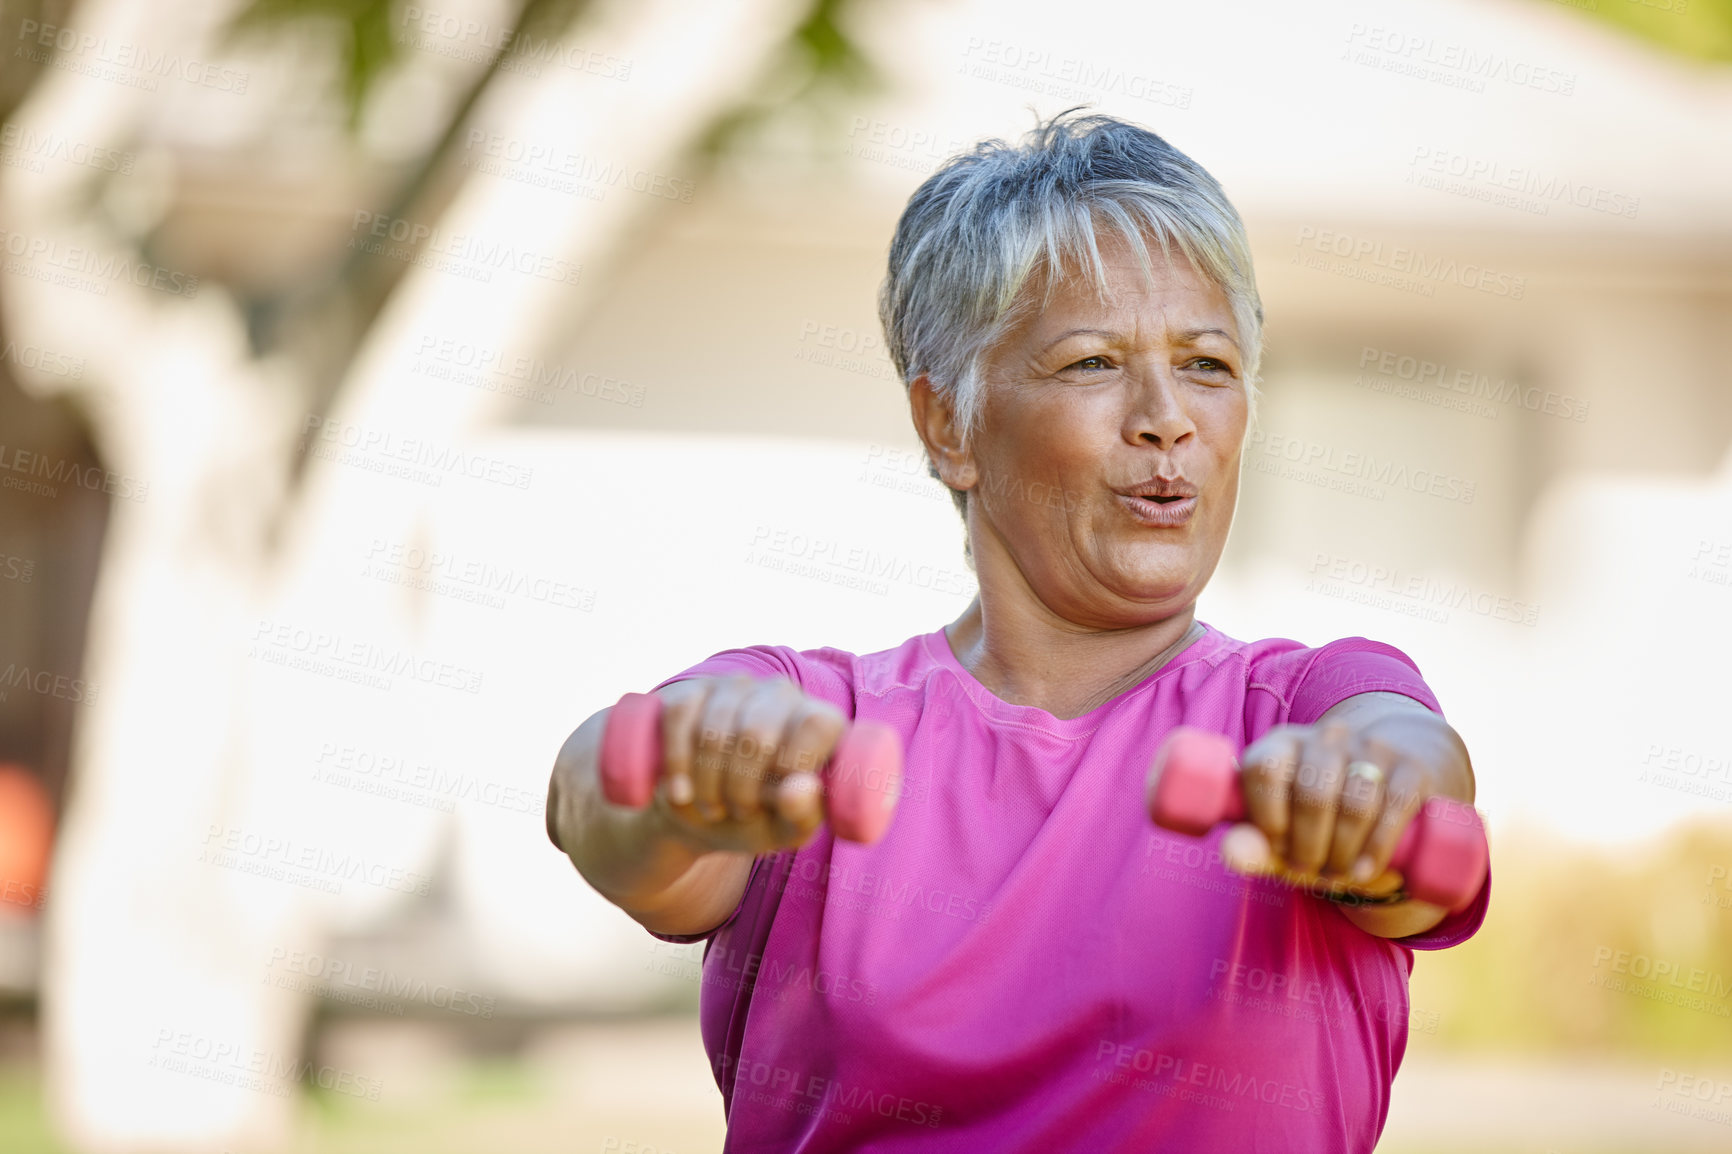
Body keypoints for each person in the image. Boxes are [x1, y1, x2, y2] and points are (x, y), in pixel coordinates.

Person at [546, 109, 1487, 1152]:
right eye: (1092, 363)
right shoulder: (816, 720)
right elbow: (600, 801)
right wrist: (685, 766)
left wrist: (1364, 797)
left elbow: (1412, 759)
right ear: (947, 423)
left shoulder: (1307, 708)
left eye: (1208, 365)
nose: (1166, 415)